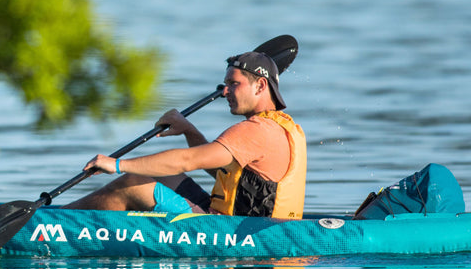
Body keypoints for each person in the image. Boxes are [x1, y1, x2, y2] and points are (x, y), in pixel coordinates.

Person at [67, 51, 307, 218]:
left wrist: (117, 165)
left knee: (131, 184)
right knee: (165, 177)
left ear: (261, 86)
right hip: (241, 222)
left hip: (230, 231)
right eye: (225, 84)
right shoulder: (278, 127)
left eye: (233, 84)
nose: (225, 92)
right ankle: (65, 216)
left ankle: (58, 221)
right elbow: (224, 173)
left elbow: (187, 160)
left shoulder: (256, 130)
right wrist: (189, 130)